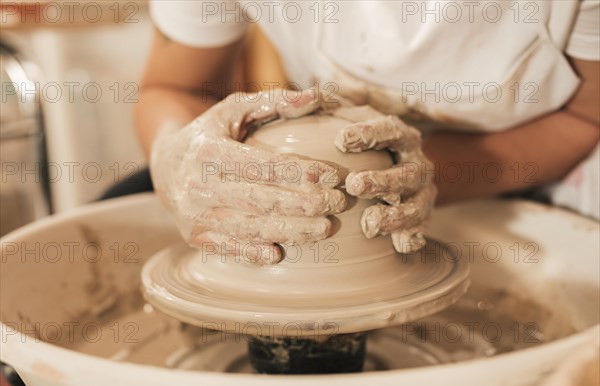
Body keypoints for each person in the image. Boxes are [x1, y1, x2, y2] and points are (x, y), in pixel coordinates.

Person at [136, 1, 599, 265]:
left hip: (527, 172)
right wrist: (175, 154)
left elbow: (587, 118)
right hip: (324, 173)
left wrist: (428, 175)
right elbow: (175, 87)